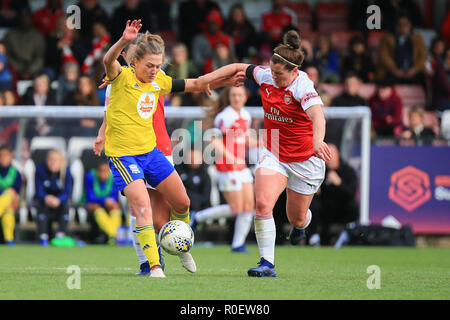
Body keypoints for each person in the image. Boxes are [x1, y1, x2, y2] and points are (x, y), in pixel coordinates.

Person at [101, 20, 242, 277]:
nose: (155, 70)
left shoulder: (160, 81)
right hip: (123, 155)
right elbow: (108, 60)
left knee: (182, 201)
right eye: (150, 66)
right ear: (135, 62)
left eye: (158, 65)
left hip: (152, 153)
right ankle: (153, 266)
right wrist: (123, 40)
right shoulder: (121, 77)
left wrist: (227, 80)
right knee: (143, 208)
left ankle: (181, 245)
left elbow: (198, 84)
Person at [198, 30, 331, 277]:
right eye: (271, 71)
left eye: (279, 74)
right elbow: (238, 66)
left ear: (293, 71)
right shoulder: (266, 76)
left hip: (305, 160)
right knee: (262, 204)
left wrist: (317, 141)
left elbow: (318, 117)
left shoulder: (303, 86)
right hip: (274, 153)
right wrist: (207, 79)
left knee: (297, 218)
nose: (273, 77)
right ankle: (267, 264)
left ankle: (302, 225)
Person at [191, 86, 255, 253]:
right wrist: (230, 156)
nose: (237, 98)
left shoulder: (246, 115)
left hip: (242, 165)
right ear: (229, 97)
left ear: (245, 97)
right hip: (227, 166)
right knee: (236, 209)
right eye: (233, 95)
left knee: (249, 207)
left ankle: (238, 245)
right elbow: (214, 140)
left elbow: (244, 139)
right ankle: (198, 217)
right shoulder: (225, 116)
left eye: (240, 94)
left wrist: (262, 144)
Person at [309, 144, 358, 245]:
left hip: (342, 209)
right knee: (314, 205)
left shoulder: (348, 171)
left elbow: (351, 194)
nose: (329, 158)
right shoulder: (320, 171)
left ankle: (351, 236)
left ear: (338, 155)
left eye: (331, 155)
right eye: (326, 155)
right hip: (325, 210)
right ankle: (313, 238)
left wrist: (339, 183)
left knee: (353, 206)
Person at [34, 150, 73, 247]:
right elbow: (39, 190)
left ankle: (60, 235)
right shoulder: (40, 170)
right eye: (50, 159)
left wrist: (58, 199)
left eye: (56, 160)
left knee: (66, 205)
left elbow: (67, 192)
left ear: (61, 162)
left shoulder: (66, 172)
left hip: (59, 201)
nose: (53, 162)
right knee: (39, 205)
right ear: (46, 161)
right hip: (45, 200)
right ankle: (43, 236)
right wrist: (46, 198)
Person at [376, 13, 427, 86]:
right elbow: (384, 56)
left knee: (424, 79)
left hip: (413, 72)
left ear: (410, 26)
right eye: (400, 25)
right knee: (384, 81)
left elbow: (423, 56)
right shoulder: (387, 38)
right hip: (393, 72)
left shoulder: (417, 38)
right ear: (396, 26)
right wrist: (395, 70)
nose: (403, 27)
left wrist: (414, 70)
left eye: (405, 24)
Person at [84, 159, 121, 244]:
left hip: (107, 204)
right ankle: (114, 235)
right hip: (91, 204)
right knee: (97, 207)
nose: (104, 175)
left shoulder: (113, 177)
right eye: (101, 171)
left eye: (106, 171)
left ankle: (112, 235)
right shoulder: (90, 176)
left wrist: (109, 202)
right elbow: (90, 197)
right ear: (97, 171)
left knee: (115, 206)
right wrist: (104, 200)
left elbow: (114, 196)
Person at [3, 8, 45, 80]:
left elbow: (40, 57)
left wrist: (30, 70)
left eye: (27, 17)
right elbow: (5, 55)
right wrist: (18, 68)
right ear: (19, 18)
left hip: (33, 70)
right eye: (23, 17)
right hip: (14, 69)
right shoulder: (10, 35)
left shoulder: (38, 36)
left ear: (31, 19)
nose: (25, 20)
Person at [0, 145, 21, 245]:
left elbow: (16, 192)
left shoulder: (15, 173)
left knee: (9, 193)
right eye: (1, 155)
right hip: (4, 203)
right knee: (8, 211)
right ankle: (9, 239)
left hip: (11, 202)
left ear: (11, 157)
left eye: (5, 155)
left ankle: (9, 240)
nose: (3, 158)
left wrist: (14, 202)